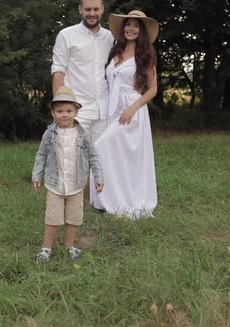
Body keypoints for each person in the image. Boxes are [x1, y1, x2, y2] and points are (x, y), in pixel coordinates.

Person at [90, 10, 159, 219]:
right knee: (116, 156)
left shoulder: (146, 54)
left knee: (101, 147)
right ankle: (108, 199)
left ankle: (124, 200)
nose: (131, 28)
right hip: (113, 108)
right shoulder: (116, 51)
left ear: (142, 31)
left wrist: (133, 107)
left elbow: (153, 89)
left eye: (136, 25)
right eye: (128, 24)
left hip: (132, 111)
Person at [32, 86, 104, 263]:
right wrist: (37, 175)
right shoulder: (49, 134)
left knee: (73, 218)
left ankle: (70, 246)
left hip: (76, 185)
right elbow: (41, 155)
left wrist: (98, 177)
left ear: (76, 111)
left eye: (69, 111)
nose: (64, 114)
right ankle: (46, 250)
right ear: (53, 113)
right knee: (52, 219)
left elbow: (93, 156)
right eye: (60, 111)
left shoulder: (83, 134)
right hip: (55, 185)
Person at [51, 0, 113, 204]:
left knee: (101, 157)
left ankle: (98, 201)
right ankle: (71, 201)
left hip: (104, 108)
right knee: (72, 157)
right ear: (80, 10)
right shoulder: (66, 35)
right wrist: (60, 106)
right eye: (88, 9)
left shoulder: (110, 37)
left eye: (96, 9)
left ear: (102, 10)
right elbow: (58, 70)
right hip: (78, 107)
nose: (92, 13)